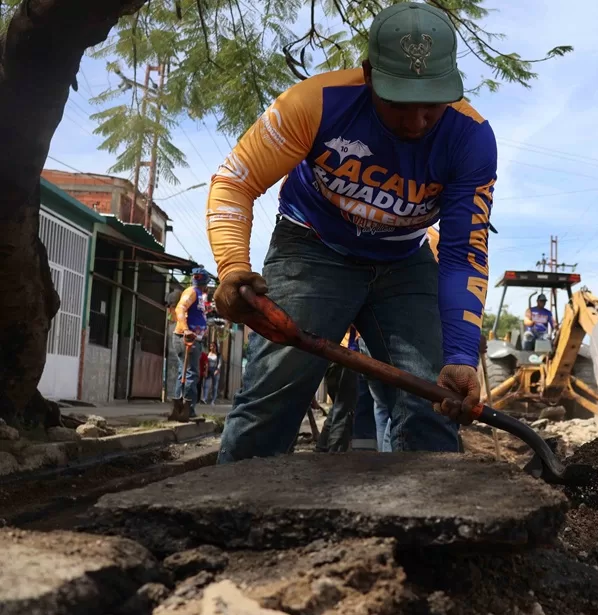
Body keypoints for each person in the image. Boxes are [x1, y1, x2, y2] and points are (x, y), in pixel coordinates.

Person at [206, 2, 497, 463]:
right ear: (368, 74)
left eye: (433, 104)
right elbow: (235, 182)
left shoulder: (471, 138)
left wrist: (460, 355)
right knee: (272, 397)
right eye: (401, 102)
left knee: (431, 402)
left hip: (404, 261)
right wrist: (232, 266)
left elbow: (463, 252)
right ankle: (221, 521)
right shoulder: (316, 103)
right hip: (311, 247)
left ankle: (431, 527)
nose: (418, 121)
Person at [173, 267, 210, 416]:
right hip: (187, 338)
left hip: (194, 339)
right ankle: (187, 410)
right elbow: (180, 308)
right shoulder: (192, 292)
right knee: (190, 374)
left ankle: (182, 408)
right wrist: (186, 329)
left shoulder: (200, 294)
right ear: (206, 282)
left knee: (186, 373)